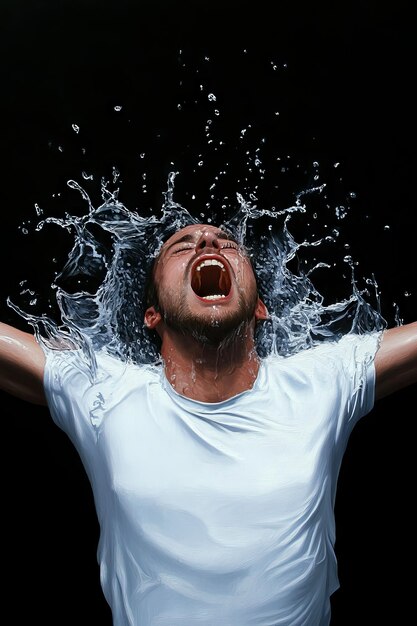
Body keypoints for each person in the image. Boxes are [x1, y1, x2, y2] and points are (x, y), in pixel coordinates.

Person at [1, 222, 416, 626]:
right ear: (152, 314)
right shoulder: (104, 393)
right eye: (182, 247)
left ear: (260, 307)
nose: (207, 244)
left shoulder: (323, 381)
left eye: (228, 243)